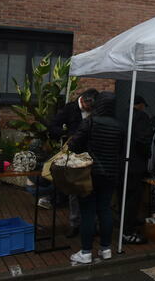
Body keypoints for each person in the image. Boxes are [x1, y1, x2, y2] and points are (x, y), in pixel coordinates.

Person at [68, 92, 125, 264]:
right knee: (105, 210)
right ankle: (105, 249)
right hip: (111, 174)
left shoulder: (90, 122)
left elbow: (73, 145)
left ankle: (86, 252)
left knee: (87, 212)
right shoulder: (120, 126)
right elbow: (121, 151)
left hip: (90, 173)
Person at [48, 88, 99, 238]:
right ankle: (74, 223)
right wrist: (66, 135)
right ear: (83, 100)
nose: (89, 110)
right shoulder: (70, 108)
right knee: (75, 190)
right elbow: (53, 126)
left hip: (92, 154)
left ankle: (92, 224)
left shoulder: (96, 111)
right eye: (88, 107)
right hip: (75, 154)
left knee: (91, 188)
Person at [121, 95, 153, 244]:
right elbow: (143, 141)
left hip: (119, 163)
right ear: (139, 105)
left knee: (122, 197)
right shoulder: (141, 117)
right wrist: (147, 155)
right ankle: (127, 231)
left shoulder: (121, 115)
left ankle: (122, 226)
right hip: (135, 164)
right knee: (133, 199)